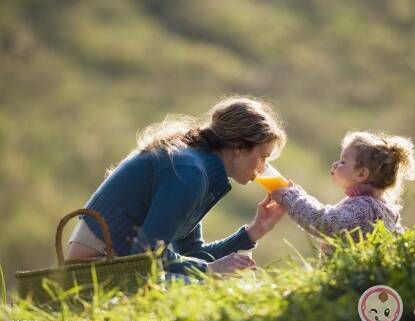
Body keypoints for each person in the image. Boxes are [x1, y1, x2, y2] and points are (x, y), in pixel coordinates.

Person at [66, 96, 287, 275]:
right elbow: (146, 256)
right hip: (95, 267)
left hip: (117, 263)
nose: (262, 167)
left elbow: (193, 253)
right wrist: (212, 269)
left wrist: (253, 233)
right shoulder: (190, 174)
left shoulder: (198, 168)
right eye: (263, 156)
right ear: (239, 147)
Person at [271, 131, 415, 253]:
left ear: (361, 174)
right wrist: (299, 194)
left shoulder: (364, 209)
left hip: (351, 285)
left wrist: (292, 197)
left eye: (343, 162)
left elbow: (324, 223)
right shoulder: (381, 209)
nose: (335, 164)